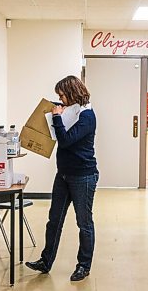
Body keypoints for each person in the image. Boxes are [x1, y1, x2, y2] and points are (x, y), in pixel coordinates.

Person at [25, 75, 99, 282]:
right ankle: (46, 261)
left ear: (72, 93)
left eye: (62, 95)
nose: (60, 99)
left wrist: (56, 118)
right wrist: (55, 111)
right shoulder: (70, 110)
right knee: (54, 220)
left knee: (83, 223)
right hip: (64, 174)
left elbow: (65, 141)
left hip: (83, 176)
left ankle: (84, 266)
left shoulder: (87, 116)